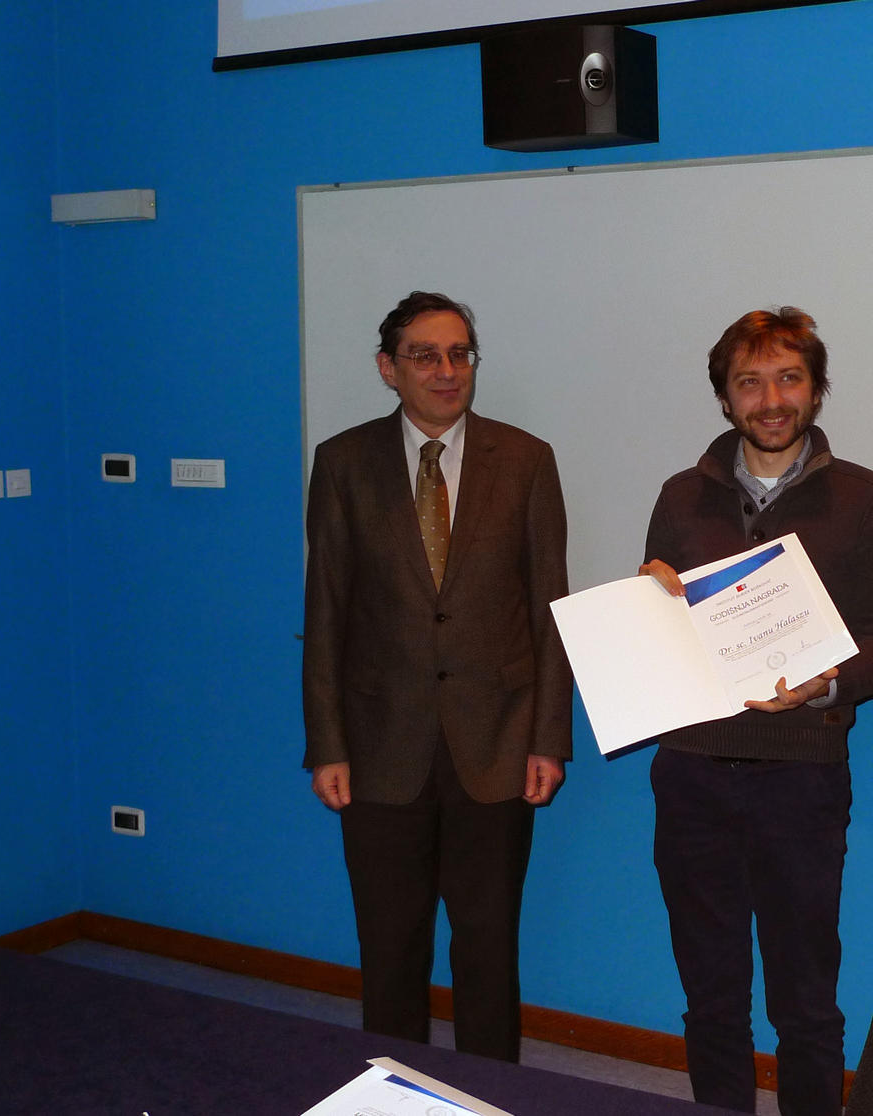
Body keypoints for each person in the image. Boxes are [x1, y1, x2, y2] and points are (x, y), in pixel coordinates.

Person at [638, 307, 873, 1116]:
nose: (771, 399)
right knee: (710, 993)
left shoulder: (863, 497)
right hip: (691, 776)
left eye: (789, 378)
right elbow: (660, 637)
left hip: (801, 778)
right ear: (725, 398)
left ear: (816, 390)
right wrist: (648, 604)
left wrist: (825, 684)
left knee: (805, 999)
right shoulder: (680, 496)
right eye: (749, 382)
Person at [302, 291, 571, 1062]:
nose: (447, 371)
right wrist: (328, 745)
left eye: (460, 354)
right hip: (380, 747)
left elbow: (548, 609)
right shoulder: (343, 464)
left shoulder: (525, 460)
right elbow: (327, 612)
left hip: (497, 744)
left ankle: (493, 1094)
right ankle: (393, 1095)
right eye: (425, 356)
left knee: (488, 948)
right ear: (389, 369)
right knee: (391, 947)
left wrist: (548, 739)